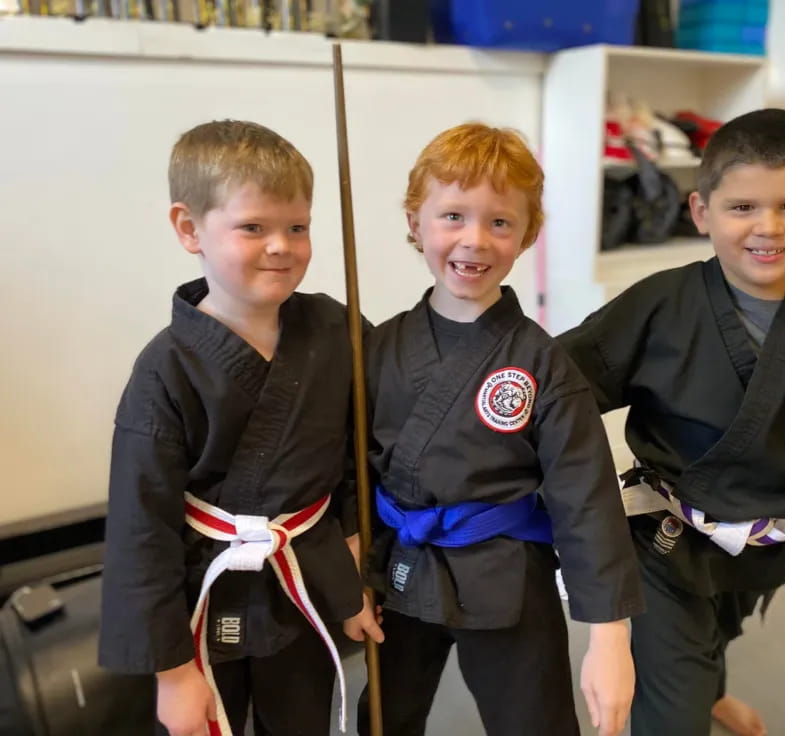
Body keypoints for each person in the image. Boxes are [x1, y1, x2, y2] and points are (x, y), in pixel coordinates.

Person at [559, 108, 785, 736]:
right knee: (672, 705)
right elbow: (558, 390)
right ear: (702, 211)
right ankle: (689, 699)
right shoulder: (659, 303)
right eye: (742, 208)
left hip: (762, 543)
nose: (768, 227)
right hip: (664, 540)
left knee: (718, 630)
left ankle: (708, 689)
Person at [357, 122, 644, 736]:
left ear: (527, 235)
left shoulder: (542, 365)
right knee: (382, 717)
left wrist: (609, 636)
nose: (474, 240)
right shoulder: (378, 348)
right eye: (453, 215)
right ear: (415, 222)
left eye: (500, 222)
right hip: (401, 567)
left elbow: (585, 499)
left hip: (507, 575)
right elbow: (349, 472)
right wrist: (348, 570)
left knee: (533, 721)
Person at [98, 119, 383, 736]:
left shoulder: (336, 331)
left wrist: (355, 557)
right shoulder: (164, 370)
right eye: (253, 227)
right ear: (188, 228)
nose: (281, 245)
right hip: (205, 590)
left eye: (297, 227)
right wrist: (172, 673)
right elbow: (138, 530)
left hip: (303, 581)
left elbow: (364, 451)